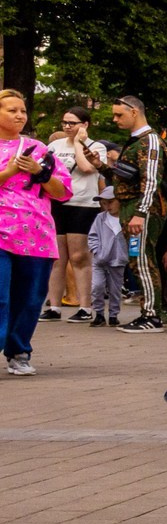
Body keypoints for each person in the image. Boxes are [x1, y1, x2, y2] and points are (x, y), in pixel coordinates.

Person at [0, 90, 69, 373]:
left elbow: (62, 191)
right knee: (1, 296)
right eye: (12, 110)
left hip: (36, 235)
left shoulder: (39, 148)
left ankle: (18, 352)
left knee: (30, 297)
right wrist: (12, 169)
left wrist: (40, 172)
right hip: (1, 233)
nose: (19, 115)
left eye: (23, 111)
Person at [102, 95, 167, 332]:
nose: (115, 119)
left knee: (144, 261)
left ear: (134, 112)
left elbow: (150, 181)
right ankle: (148, 313)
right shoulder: (137, 141)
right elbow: (127, 177)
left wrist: (140, 213)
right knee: (138, 260)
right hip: (133, 207)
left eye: (119, 115)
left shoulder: (150, 141)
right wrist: (100, 166)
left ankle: (152, 316)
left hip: (142, 209)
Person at [46, 106, 107, 323]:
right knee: (57, 257)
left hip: (82, 204)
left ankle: (85, 307)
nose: (67, 127)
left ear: (85, 125)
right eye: (65, 122)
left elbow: (87, 168)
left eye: (72, 123)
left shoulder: (96, 146)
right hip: (57, 203)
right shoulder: (54, 146)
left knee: (79, 256)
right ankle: (54, 306)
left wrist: (80, 144)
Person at [85, 202, 125, 329]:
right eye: (104, 202)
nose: (108, 205)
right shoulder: (100, 218)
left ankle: (113, 315)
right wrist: (96, 250)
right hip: (100, 259)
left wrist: (127, 254)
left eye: (111, 202)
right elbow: (92, 235)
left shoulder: (126, 217)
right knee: (97, 286)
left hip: (118, 259)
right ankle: (99, 313)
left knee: (115, 289)